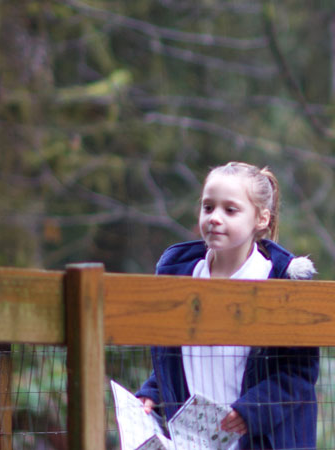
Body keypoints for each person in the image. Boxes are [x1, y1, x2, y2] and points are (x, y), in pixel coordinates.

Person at [136, 162, 320, 449]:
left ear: (261, 219)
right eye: (208, 207)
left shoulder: (281, 282)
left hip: (259, 440)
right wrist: (153, 391)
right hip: (192, 440)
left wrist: (251, 411)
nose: (214, 218)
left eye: (230, 210)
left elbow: (298, 373)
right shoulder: (180, 273)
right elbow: (175, 356)